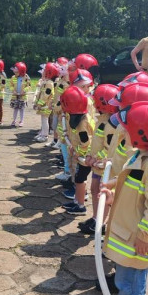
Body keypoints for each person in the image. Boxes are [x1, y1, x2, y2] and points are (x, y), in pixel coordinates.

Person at [100, 101, 148, 295]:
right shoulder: (140, 155)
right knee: (125, 274)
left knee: (131, 277)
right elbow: (129, 183)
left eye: (128, 128)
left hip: (137, 237)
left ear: (142, 133)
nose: (124, 131)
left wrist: (146, 235)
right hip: (127, 232)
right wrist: (113, 191)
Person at [78, 84, 119, 235]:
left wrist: (96, 158)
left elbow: (109, 148)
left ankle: (101, 223)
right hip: (97, 165)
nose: (93, 104)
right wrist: (90, 154)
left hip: (105, 167)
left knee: (102, 193)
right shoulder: (102, 118)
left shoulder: (112, 124)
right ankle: (96, 218)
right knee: (94, 189)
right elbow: (96, 141)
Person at [60, 86, 95, 215]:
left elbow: (86, 143)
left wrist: (77, 152)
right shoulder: (77, 117)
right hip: (81, 155)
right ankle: (76, 201)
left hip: (84, 158)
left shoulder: (82, 124)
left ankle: (80, 206)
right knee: (77, 178)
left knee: (80, 180)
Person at [33, 62, 59, 142]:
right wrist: (36, 102)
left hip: (46, 105)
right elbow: (40, 94)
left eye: (45, 70)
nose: (43, 71)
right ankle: (42, 133)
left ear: (49, 72)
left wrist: (40, 104)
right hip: (42, 105)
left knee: (45, 120)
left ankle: (45, 136)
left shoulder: (49, 83)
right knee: (43, 120)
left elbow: (46, 95)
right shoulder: (46, 82)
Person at [9, 62, 30, 127]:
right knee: (15, 108)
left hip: (23, 97)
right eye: (15, 72)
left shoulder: (26, 77)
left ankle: (21, 121)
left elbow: (29, 86)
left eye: (17, 72)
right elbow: (11, 85)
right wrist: (13, 90)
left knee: (21, 109)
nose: (15, 73)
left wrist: (24, 91)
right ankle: (14, 120)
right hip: (15, 96)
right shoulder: (13, 77)